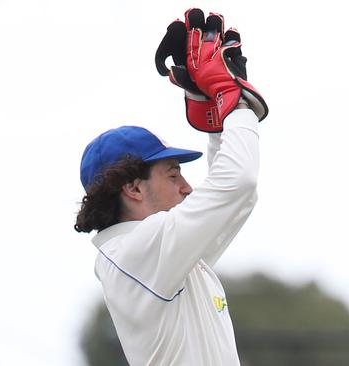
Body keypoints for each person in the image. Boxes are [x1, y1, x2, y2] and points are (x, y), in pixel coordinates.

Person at [74, 8, 268, 366]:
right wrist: (234, 100)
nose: (187, 188)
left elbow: (236, 197)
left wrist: (216, 120)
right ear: (133, 189)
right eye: (173, 174)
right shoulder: (140, 251)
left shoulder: (153, 254)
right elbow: (237, 183)